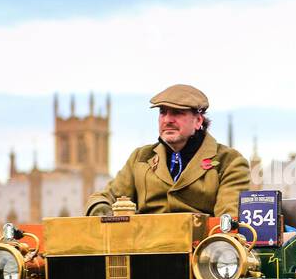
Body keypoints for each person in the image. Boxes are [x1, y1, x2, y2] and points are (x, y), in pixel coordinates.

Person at [84, 84, 249, 219]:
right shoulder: (141, 158)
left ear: (198, 121)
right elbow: (105, 197)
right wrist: (102, 214)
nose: (167, 120)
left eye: (177, 113)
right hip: (143, 252)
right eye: (163, 112)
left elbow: (228, 220)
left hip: (198, 254)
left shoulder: (228, 162)